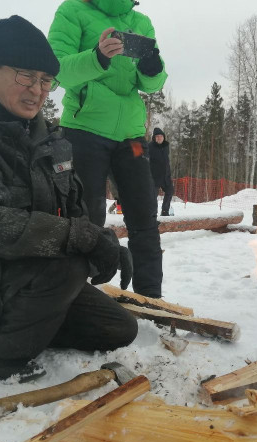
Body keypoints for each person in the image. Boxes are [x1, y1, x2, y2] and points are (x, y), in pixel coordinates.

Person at [0, 16, 136, 383]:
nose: (37, 90)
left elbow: (74, 212)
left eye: (45, 80)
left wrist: (100, 241)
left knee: (118, 329)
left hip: (33, 273)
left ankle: (31, 325)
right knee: (68, 268)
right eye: (25, 75)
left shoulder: (52, 141)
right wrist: (78, 240)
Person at [48, 0, 167, 298]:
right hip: (84, 130)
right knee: (85, 216)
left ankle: (151, 297)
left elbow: (150, 83)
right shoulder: (72, 11)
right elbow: (54, 70)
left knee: (144, 214)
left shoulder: (141, 21)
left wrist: (153, 69)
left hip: (132, 137)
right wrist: (97, 57)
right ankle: (76, 295)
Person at [149, 127, 174, 216]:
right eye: (157, 136)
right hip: (154, 177)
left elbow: (166, 162)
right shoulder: (150, 147)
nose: (159, 138)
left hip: (165, 177)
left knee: (170, 191)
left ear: (163, 137)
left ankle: (165, 211)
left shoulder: (166, 146)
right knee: (153, 197)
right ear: (154, 138)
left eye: (161, 136)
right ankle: (153, 214)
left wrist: (168, 174)